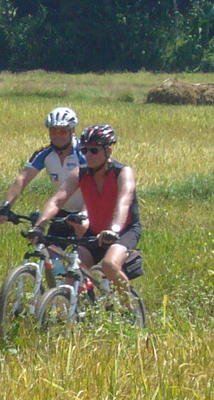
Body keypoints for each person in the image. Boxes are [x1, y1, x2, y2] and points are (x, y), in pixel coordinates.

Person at [28, 124, 141, 295]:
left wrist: (114, 230)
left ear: (108, 151)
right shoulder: (80, 173)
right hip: (95, 231)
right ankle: (73, 316)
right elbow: (57, 200)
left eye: (93, 150)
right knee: (72, 274)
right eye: (84, 150)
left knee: (109, 265)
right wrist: (39, 227)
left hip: (124, 231)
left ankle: (130, 311)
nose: (88, 155)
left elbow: (123, 203)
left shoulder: (122, 172)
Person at [0, 107, 86, 239]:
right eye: (53, 130)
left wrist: (84, 215)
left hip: (88, 211)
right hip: (63, 211)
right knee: (47, 250)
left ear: (72, 131)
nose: (57, 135)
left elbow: (96, 186)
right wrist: (6, 205)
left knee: (84, 255)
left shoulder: (85, 153)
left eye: (62, 131)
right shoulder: (44, 152)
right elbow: (22, 179)